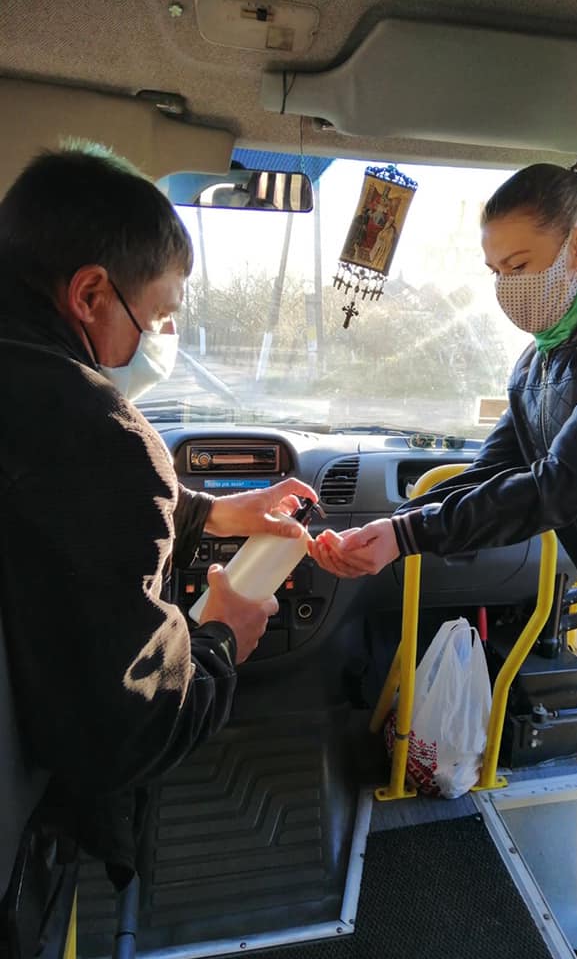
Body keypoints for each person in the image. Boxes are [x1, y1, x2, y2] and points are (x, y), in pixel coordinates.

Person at [309, 152, 577, 959]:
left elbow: (561, 485)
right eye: (495, 270)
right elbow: (491, 475)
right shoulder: (538, 365)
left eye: (521, 265)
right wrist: (393, 525)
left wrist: (405, 538)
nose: (506, 288)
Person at [0, 142, 317, 883]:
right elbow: (133, 731)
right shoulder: (100, 433)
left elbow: (55, 518)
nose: (163, 338)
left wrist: (213, 514)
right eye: (160, 314)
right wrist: (221, 638)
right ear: (90, 295)